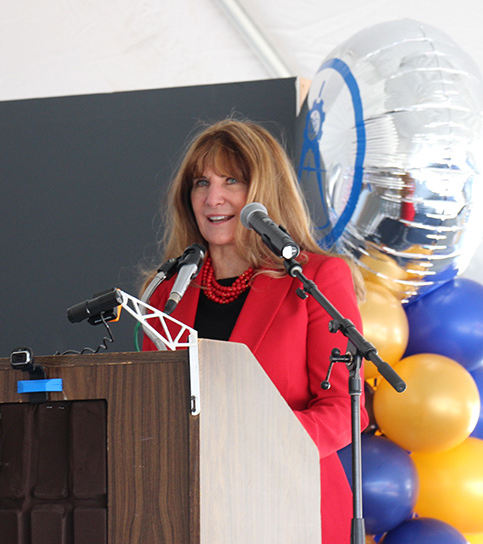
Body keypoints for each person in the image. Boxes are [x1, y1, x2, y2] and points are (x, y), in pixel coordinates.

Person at [141, 118, 368, 543]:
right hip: (191, 509)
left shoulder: (316, 279)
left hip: (290, 502)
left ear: (264, 193)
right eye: (200, 183)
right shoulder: (166, 293)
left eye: (233, 180)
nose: (214, 197)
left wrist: (261, 444)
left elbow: (345, 407)